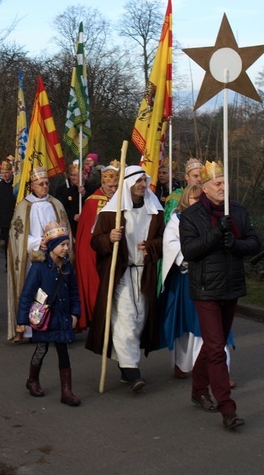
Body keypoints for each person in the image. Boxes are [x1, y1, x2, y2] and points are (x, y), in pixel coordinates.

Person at [180, 160, 260, 430]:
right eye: (218, 183)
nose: (224, 187)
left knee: (216, 342)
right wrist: (217, 233)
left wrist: (235, 243)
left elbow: (253, 242)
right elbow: (190, 251)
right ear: (204, 187)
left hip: (231, 285)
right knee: (217, 348)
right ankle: (227, 409)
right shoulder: (191, 216)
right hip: (205, 289)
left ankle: (198, 388)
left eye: (226, 182)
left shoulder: (237, 210)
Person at [85, 165, 164, 392]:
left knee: (139, 319)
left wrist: (151, 246)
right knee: (127, 319)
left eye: (144, 181)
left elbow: (162, 238)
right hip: (120, 273)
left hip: (144, 273)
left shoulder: (155, 211)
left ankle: (124, 364)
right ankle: (132, 371)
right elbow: (95, 241)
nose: (142, 185)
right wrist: (109, 237)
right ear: (128, 184)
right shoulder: (112, 212)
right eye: (138, 181)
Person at [160, 183, 235, 381]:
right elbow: (171, 245)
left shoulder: (213, 219)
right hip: (186, 280)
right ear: (186, 200)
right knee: (186, 325)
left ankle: (220, 371)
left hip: (212, 280)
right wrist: (191, 256)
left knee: (213, 328)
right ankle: (182, 364)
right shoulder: (177, 220)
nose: (196, 201)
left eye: (199, 197)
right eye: (193, 198)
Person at [16, 222, 81, 406]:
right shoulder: (39, 267)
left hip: (62, 316)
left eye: (67, 244)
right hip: (45, 317)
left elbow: (74, 292)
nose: (66, 248)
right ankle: (32, 379)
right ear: (52, 246)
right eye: (62, 245)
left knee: (63, 352)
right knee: (41, 348)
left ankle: (66, 392)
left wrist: (75, 313)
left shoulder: (68, 267)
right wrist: (22, 320)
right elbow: (27, 294)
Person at [7, 167, 71, 342]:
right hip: (32, 257)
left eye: (46, 183)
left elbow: (66, 229)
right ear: (32, 186)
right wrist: (38, 243)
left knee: (53, 291)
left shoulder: (56, 204)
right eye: (40, 184)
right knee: (32, 291)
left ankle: (52, 325)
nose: (45, 186)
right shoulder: (23, 206)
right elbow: (17, 235)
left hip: (55, 257)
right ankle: (27, 327)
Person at [74, 162, 119, 331]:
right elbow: (86, 234)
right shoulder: (92, 202)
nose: (113, 190)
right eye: (110, 186)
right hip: (96, 252)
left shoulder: (122, 199)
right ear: (102, 183)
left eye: (116, 186)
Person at [53, 161, 85, 236]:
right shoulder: (62, 189)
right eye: (71, 175)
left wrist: (84, 194)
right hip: (69, 226)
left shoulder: (90, 187)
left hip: (85, 225)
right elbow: (59, 207)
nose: (73, 178)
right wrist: (73, 215)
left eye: (76, 175)